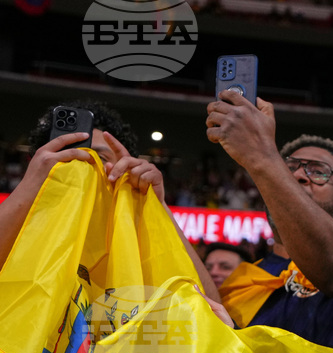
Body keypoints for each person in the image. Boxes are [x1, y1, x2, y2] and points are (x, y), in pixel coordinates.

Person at [1, 100, 218, 299]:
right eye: (67, 154)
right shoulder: (20, 223)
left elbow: (210, 310)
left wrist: (157, 206)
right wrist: (29, 187)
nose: (82, 165)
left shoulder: (135, 232)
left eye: (99, 157)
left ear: (125, 168)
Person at [206, 91, 333, 349]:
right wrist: (158, 203)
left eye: (318, 172)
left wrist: (262, 156)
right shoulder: (243, 280)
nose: (299, 175)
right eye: (290, 169)